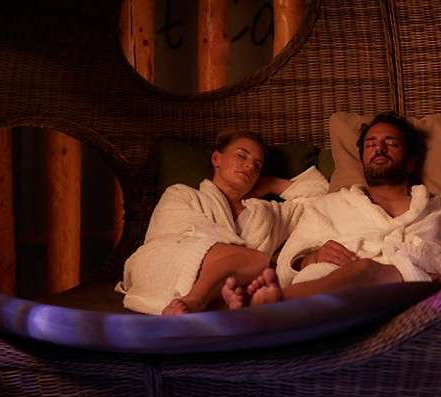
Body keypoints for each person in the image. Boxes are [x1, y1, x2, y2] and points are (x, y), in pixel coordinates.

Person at [244, 113, 441, 306]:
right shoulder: (330, 205)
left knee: (365, 270)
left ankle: (275, 307)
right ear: (362, 160)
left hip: (411, 296)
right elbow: (287, 264)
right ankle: (281, 310)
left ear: (411, 161)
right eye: (370, 145)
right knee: (331, 274)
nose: (379, 149)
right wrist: (312, 258)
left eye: (390, 143)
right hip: (328, 285)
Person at [117, 130, 327, 314]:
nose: (249, 165)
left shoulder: (265, 213)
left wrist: (271, 183)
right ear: (217, 158)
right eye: (241, 155)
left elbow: (320, 198)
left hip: (236, 281)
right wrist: (252, 260)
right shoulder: (182, 194)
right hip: (171, 267)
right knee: (259, 262)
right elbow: (178, 237)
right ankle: (199, 299)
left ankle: (212, 304)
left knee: (256, 266)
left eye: (257, 165)